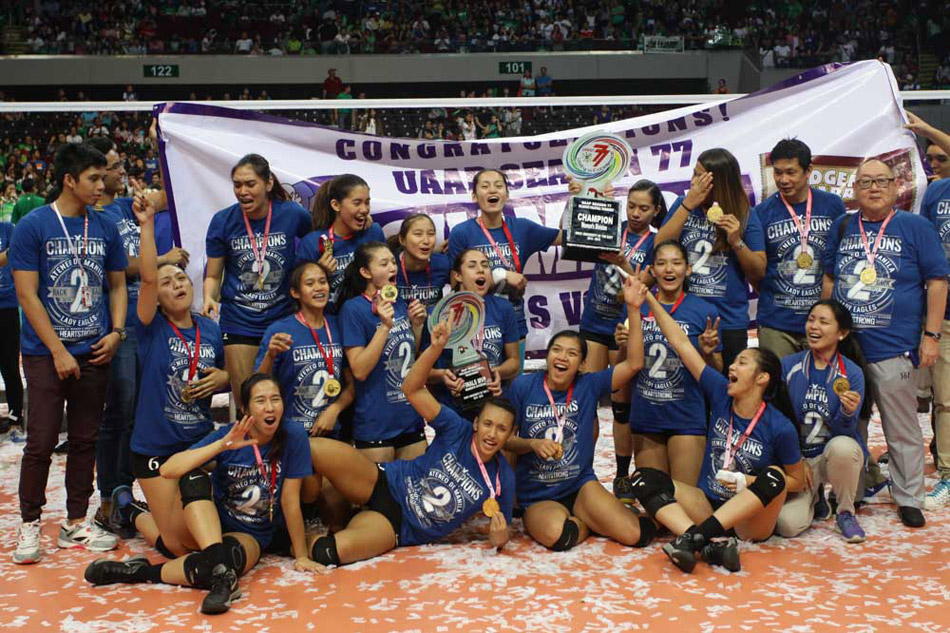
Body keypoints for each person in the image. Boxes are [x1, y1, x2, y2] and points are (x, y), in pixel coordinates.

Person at [84, 374, 318, 615]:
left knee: (218, 559)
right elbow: (168, 469)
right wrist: (222, 445)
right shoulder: (230, 433)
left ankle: (138, 570)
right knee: (192, 477)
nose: (269, 407)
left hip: (252, 534)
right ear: (245, 409)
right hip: (210, 522)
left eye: (275, 399)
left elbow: (290, 500)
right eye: (260, 401)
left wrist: (301, 556)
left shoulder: (293, 435)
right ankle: (134, 512)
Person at [628, 274, 804, 574]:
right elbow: (681, 343)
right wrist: (649, 300)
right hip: (708, 504)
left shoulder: (779, 425)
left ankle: (695, 539)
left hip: (749, 519)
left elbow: (797, 481)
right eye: (735, 362)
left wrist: (746, 482)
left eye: (743, 363)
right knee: (643, 478)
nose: (732, 366)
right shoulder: (721, 392)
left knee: (774, 476)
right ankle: (709, 543)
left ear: (762, 378)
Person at [306, 320, 516, 567]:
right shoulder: (457, 429)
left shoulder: (503, 478)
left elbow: (503, 529)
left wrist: (500, 538)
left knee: (326, 553)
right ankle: (300, 519)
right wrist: (434, 349)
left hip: (398, 525)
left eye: (502, 429)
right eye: (488, 424)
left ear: (510, 435)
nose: (492, 434)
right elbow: (411, 389)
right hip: (384, 482)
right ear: (477, 423)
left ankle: (303, 538)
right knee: (309, 448)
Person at [11, 143, 128, 564]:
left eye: (102, 177)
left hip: (94, 349)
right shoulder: (34, 226)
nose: (101, 185)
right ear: (69, 180)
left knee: (84, 439)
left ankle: (75, 521)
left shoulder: (105, 225)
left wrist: (117, 332)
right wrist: (58, 350)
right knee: (41, 441)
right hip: (45, 353)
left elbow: (117, 284)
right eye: (93, 178)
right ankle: (29, 524)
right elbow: (27, 294)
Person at [821, 158, 948, 528]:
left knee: (902, 428)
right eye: (865, 182)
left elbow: (937, 282)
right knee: (849, 424)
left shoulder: (916, 226)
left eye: (881, 181)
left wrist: (931, 336)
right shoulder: (843, 226)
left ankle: (909, 497)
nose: (874, 188)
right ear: (855, 190)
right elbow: (829, 279)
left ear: (895, 187)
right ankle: (852, 491)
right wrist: (826, 331)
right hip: (847, 350)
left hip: (895, 346)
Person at [106, 192, 228, 559]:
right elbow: (146, 279)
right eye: (167, 282)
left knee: (206, 529)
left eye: (181, 278)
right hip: (155, 449)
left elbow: (226, 373)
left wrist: (222, 379)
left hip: (199, 442)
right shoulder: (150, 327)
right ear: (156, 298)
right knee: (177, 547)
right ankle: (130, 508)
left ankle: (138, 509)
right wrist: (146, 226)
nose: (176, 284)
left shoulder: (210, 330)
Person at [85, 136, 190, 536]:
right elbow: (113, 264)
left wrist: (166, 140)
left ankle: (128, 491)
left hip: (148, 319)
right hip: (119, 321)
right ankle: (110, 496)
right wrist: (162, 260)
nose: (121, 171)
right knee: (120, 409)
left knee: (142, 407)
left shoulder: (130, 207)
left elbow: (173, 187)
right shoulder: (96, 216)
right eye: (113, 167)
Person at [504, 277, 656, 552]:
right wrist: (532, 444)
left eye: (572, 353)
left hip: (580, 486)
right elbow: (505, 441)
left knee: (637, 535)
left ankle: (589, 515)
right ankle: (586, 523)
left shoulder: (589, 385)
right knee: (560, 536)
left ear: (583, 364)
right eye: (556, 350)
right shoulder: (523, 387)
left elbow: (634, 364)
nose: (562, 357)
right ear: (547, 356)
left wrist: (633, 309)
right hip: (538, 494)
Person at [203, 154, 311, 412]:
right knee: (248, 404)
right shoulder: (222, 221)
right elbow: (214, 275)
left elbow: (318, 240)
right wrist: (208, 297)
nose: (242, 191)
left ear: (268, 183)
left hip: (282, 319)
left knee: (283, 401)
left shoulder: (293, 214)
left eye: (250, 184)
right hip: (239, 321)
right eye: (237, 185)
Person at [614, 240, 721, 495]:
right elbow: (622, 371)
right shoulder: (635, 306)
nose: (669, 269)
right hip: (646, 417)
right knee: (655, 501)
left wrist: (707, 353)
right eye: (661, 263)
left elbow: (717, 373)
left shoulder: (704, 311)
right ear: (652, 270)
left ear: (688, 269)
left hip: (686, 417)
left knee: (686, 499)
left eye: (676, 262)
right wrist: (622, 347)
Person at [578, 180, 663, 490]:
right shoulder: (611, 227)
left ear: (656, 210)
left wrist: (622, 261)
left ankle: (622, 476)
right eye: (631, 206)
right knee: (585, 401)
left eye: (644, 208)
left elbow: (642, 285)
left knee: (621, 408)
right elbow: (573, 235)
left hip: (625, 327)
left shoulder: (656, 243)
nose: (636, 213)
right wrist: (585, 197)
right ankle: (581, 471)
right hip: (594, 322)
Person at [655, 148, 766, 372]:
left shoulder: (744, 214)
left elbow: (759, 271)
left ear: (719, 182)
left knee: (727, 385)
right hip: (685, 315)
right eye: (694, 174)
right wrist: (688, 205)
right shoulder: (683, 205)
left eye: (700, 176)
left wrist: (737, 242)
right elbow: (659, 246)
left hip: (728, 320)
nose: (693, 181)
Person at [775, 300, 871, 542]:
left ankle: (845, 513)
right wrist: (796, 460)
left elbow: (845, 432)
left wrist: (847, 413)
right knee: (786, 525)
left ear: (842, 333)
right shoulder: (789, 366)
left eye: (823, 321)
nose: (814, 326)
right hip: (798, 460)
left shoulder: (852, 373)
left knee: (844, 447)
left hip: (830, 455)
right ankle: (815, 498)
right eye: (811, 320)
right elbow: (780, 421)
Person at [448, 169, 561, 359]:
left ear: (507, 194)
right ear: (474, 196)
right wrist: (501, 275)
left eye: (499, 186)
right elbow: (454, 283)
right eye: (485, 186)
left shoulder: (523, 228)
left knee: (513, 376)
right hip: (474, 326)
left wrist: (580, 198)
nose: (492, 190)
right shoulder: (461, 233)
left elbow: (567, 237)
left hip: (514, 322)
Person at [755, 139, 846, 358]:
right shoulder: (761, 212)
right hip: (777, 324)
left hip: (823, 322)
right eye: (777, 172)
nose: (783, 180)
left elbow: (841, 259)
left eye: (790, 172)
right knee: (778, 380)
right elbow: (757, 271)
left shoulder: (833, 204)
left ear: (808, 171)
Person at [339, 241, 428, 462]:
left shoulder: (398, 303)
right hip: (376, 423)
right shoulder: (353, 309)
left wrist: (417, 326)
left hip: (409, 417)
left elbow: (408, 357)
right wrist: (385, 326)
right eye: (384, 263)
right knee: (379, 486)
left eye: (393, 262)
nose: (392, 268)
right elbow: (359, 370)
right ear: (365, 272)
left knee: (416, 485)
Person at [905, 113, 950, 509]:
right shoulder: (935, 193)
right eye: (930, 157)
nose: (934, 164)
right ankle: (947, 470)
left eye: (942, 158)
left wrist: (927, 130)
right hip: (944, 312)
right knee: (944, 398)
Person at [429, 248, 518, 418]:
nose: (480, 270)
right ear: (458, 276)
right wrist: (443, 375)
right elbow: (424, 372)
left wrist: (496, 372)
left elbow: (514, 362)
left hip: (492, 407)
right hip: (453, 410)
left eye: (485, 265)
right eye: (472, 265)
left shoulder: (504, 308)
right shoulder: (438, 314)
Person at [296, 174, 384, 313]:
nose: (364, 209)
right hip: (329, 320)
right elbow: (299, 296)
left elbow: (387, 278)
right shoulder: (312, 243)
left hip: (370, 317)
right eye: (357, 203)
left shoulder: (373, 232)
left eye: (367, 202)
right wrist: (320, 274)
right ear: (336, 205)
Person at [389, 213, 450, 308]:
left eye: (431, 234)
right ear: (402, 239)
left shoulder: (443, 263)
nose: (426, 241)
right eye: (418, 234)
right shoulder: (389, 267)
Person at [0, 218, 22, 435]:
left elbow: (16, 253)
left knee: (10, 366)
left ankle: (16, 418)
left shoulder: (8, 229)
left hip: (6, 305)